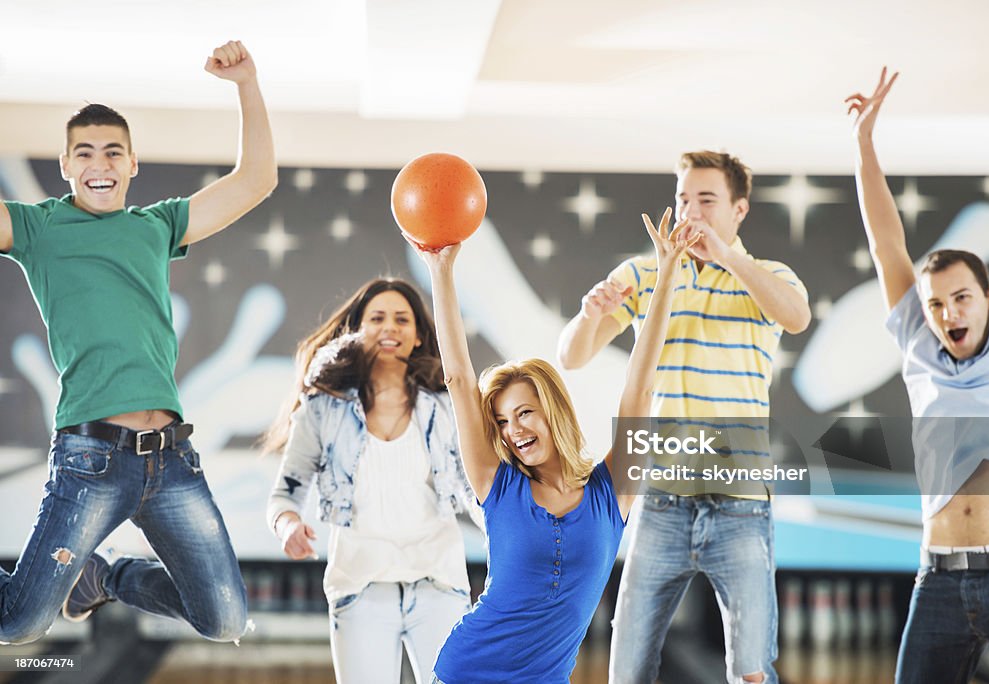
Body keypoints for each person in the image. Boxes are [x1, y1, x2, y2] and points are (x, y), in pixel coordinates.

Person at [0, 40, 276, 644]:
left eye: (113, 152)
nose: (100, 163)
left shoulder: (157, 226)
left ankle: (105, 578)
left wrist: (246, 85)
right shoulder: (38, 227)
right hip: (91, 462)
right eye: (84, 153)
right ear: (67, 165)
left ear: (132, 165)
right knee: (16, 622)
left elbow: (256, 180)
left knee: (226, 620)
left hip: (172, 461)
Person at [559, 151, 811, 683]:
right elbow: (572, 356)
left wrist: (728, 260)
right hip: (660, 502)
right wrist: (589, 315)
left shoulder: (768, 276)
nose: (690, 211)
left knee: (751, 671)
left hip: (740, 505)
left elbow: (795, 315)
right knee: (626, 668)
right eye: (682, 198)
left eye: (706, 200)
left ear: (739, 210)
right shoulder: (644, 273)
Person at [410, 208, 686, 684]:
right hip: (466, 672)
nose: (513, 429)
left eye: (524, 413)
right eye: (501, 421)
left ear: (552, 410)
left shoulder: (612, 493)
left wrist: (665, 281)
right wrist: (442, 270)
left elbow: (640, 391)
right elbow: (457, 378)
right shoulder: (496, 485)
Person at [847, 66, 989, 683]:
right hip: (939, 578)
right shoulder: (918, 343)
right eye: (936, 304)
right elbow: (885, 242)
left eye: (961, 299)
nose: (948, 313)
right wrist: (864, 145)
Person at [264, 278, 483, 684]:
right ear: (356, 330)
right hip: (359, 588)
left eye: (402, 319)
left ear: (418, 336)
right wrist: (288, 525)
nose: (390, 328)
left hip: (439, 583)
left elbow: (475, 489)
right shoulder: (322, 409)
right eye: (377, 318)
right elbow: (284, 496)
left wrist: (507, 531)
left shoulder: (445, 407)